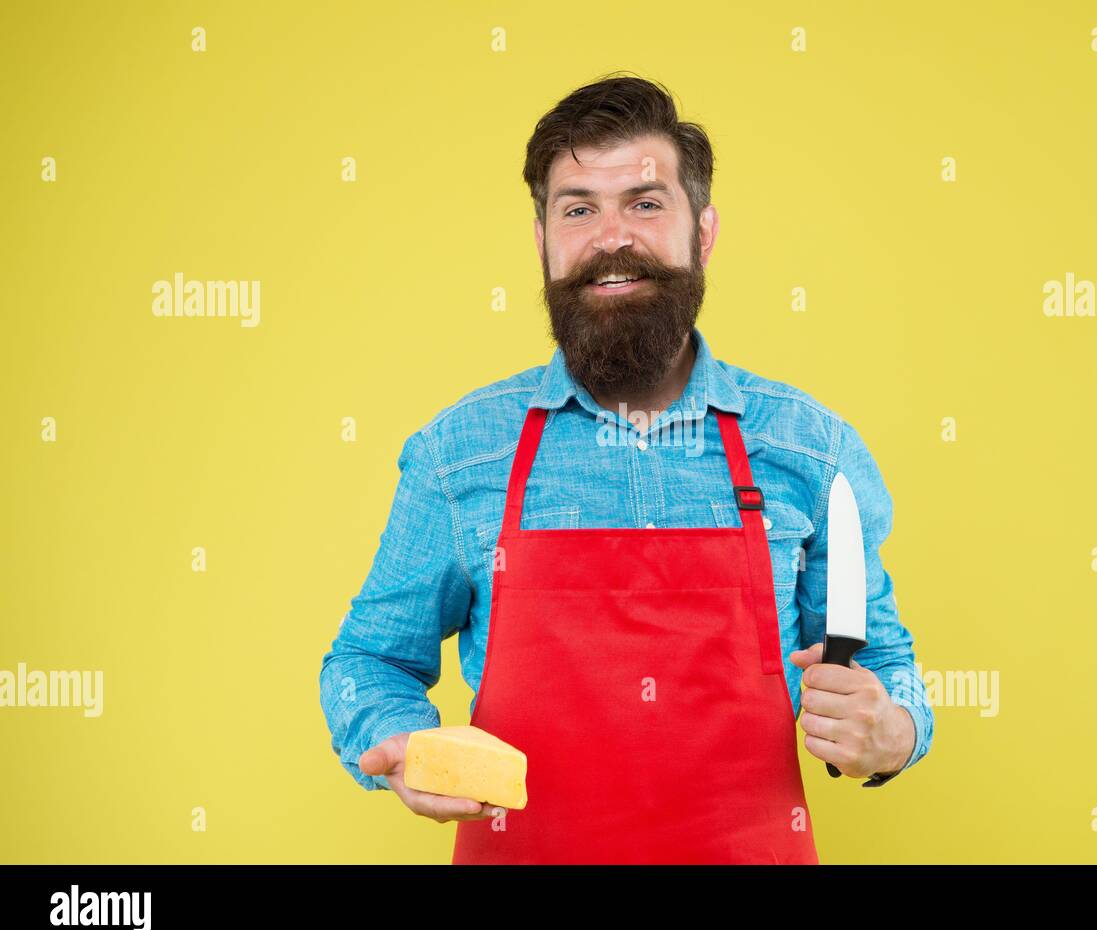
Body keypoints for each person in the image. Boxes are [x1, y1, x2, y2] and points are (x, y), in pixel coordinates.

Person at [319, 73, 934, 864]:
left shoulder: (808, 448)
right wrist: (396, 740)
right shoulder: (461, 452)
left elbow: (882, 662)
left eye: (645, 203)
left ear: (702, 231)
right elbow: (367, 658)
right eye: (578, 209)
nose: (612, 238)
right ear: (542, 241)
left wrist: (895, 730)